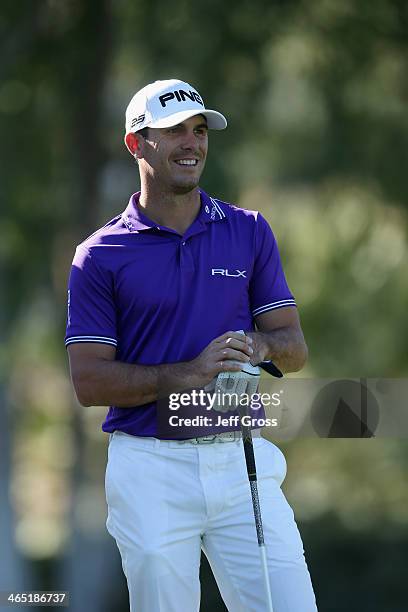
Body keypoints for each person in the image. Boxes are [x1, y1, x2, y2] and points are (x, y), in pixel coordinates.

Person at [65, 78, 317, 611]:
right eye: (174, 130)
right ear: (137, 144)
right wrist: (189, 372)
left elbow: (293, 347)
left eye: (199, 130)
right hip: (150, 467)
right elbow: (89, 382)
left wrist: (257, 346)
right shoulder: (100, 255)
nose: (192, 142)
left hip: (241, 458)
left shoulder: (248, 230)